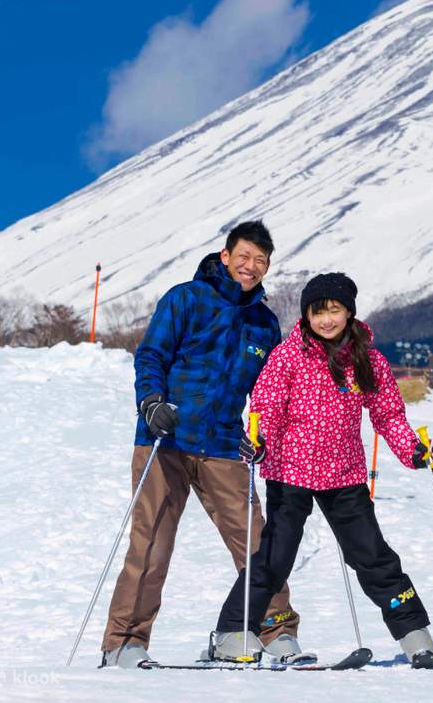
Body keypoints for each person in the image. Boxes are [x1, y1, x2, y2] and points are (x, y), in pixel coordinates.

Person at [210, 272, 433, 669]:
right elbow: (265, 407)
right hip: (290, 472)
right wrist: (259, 439)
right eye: (318, 312)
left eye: (334, 311)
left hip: (344, 475)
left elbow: (388, 415)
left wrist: (415, 451)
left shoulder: (367, 359)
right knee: (275, 557)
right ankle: (233, 632)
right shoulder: (288, 355)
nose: (326, 320)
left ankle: (414, 635)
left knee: (374, 557)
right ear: (306, 315)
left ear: (349, 313)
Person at [100, 220, 301, 668]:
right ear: (226, 256)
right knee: (151, 544)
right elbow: (151, 354)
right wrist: (152, 402)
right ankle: (124, 642)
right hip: (165, 439)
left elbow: (269, 391)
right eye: (244, 256)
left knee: (257, 542)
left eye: (261, 262)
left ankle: (275, 631)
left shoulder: (264, 323)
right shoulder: (185, 299)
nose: (251, 267)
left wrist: (264, 431)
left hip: (226, 446)